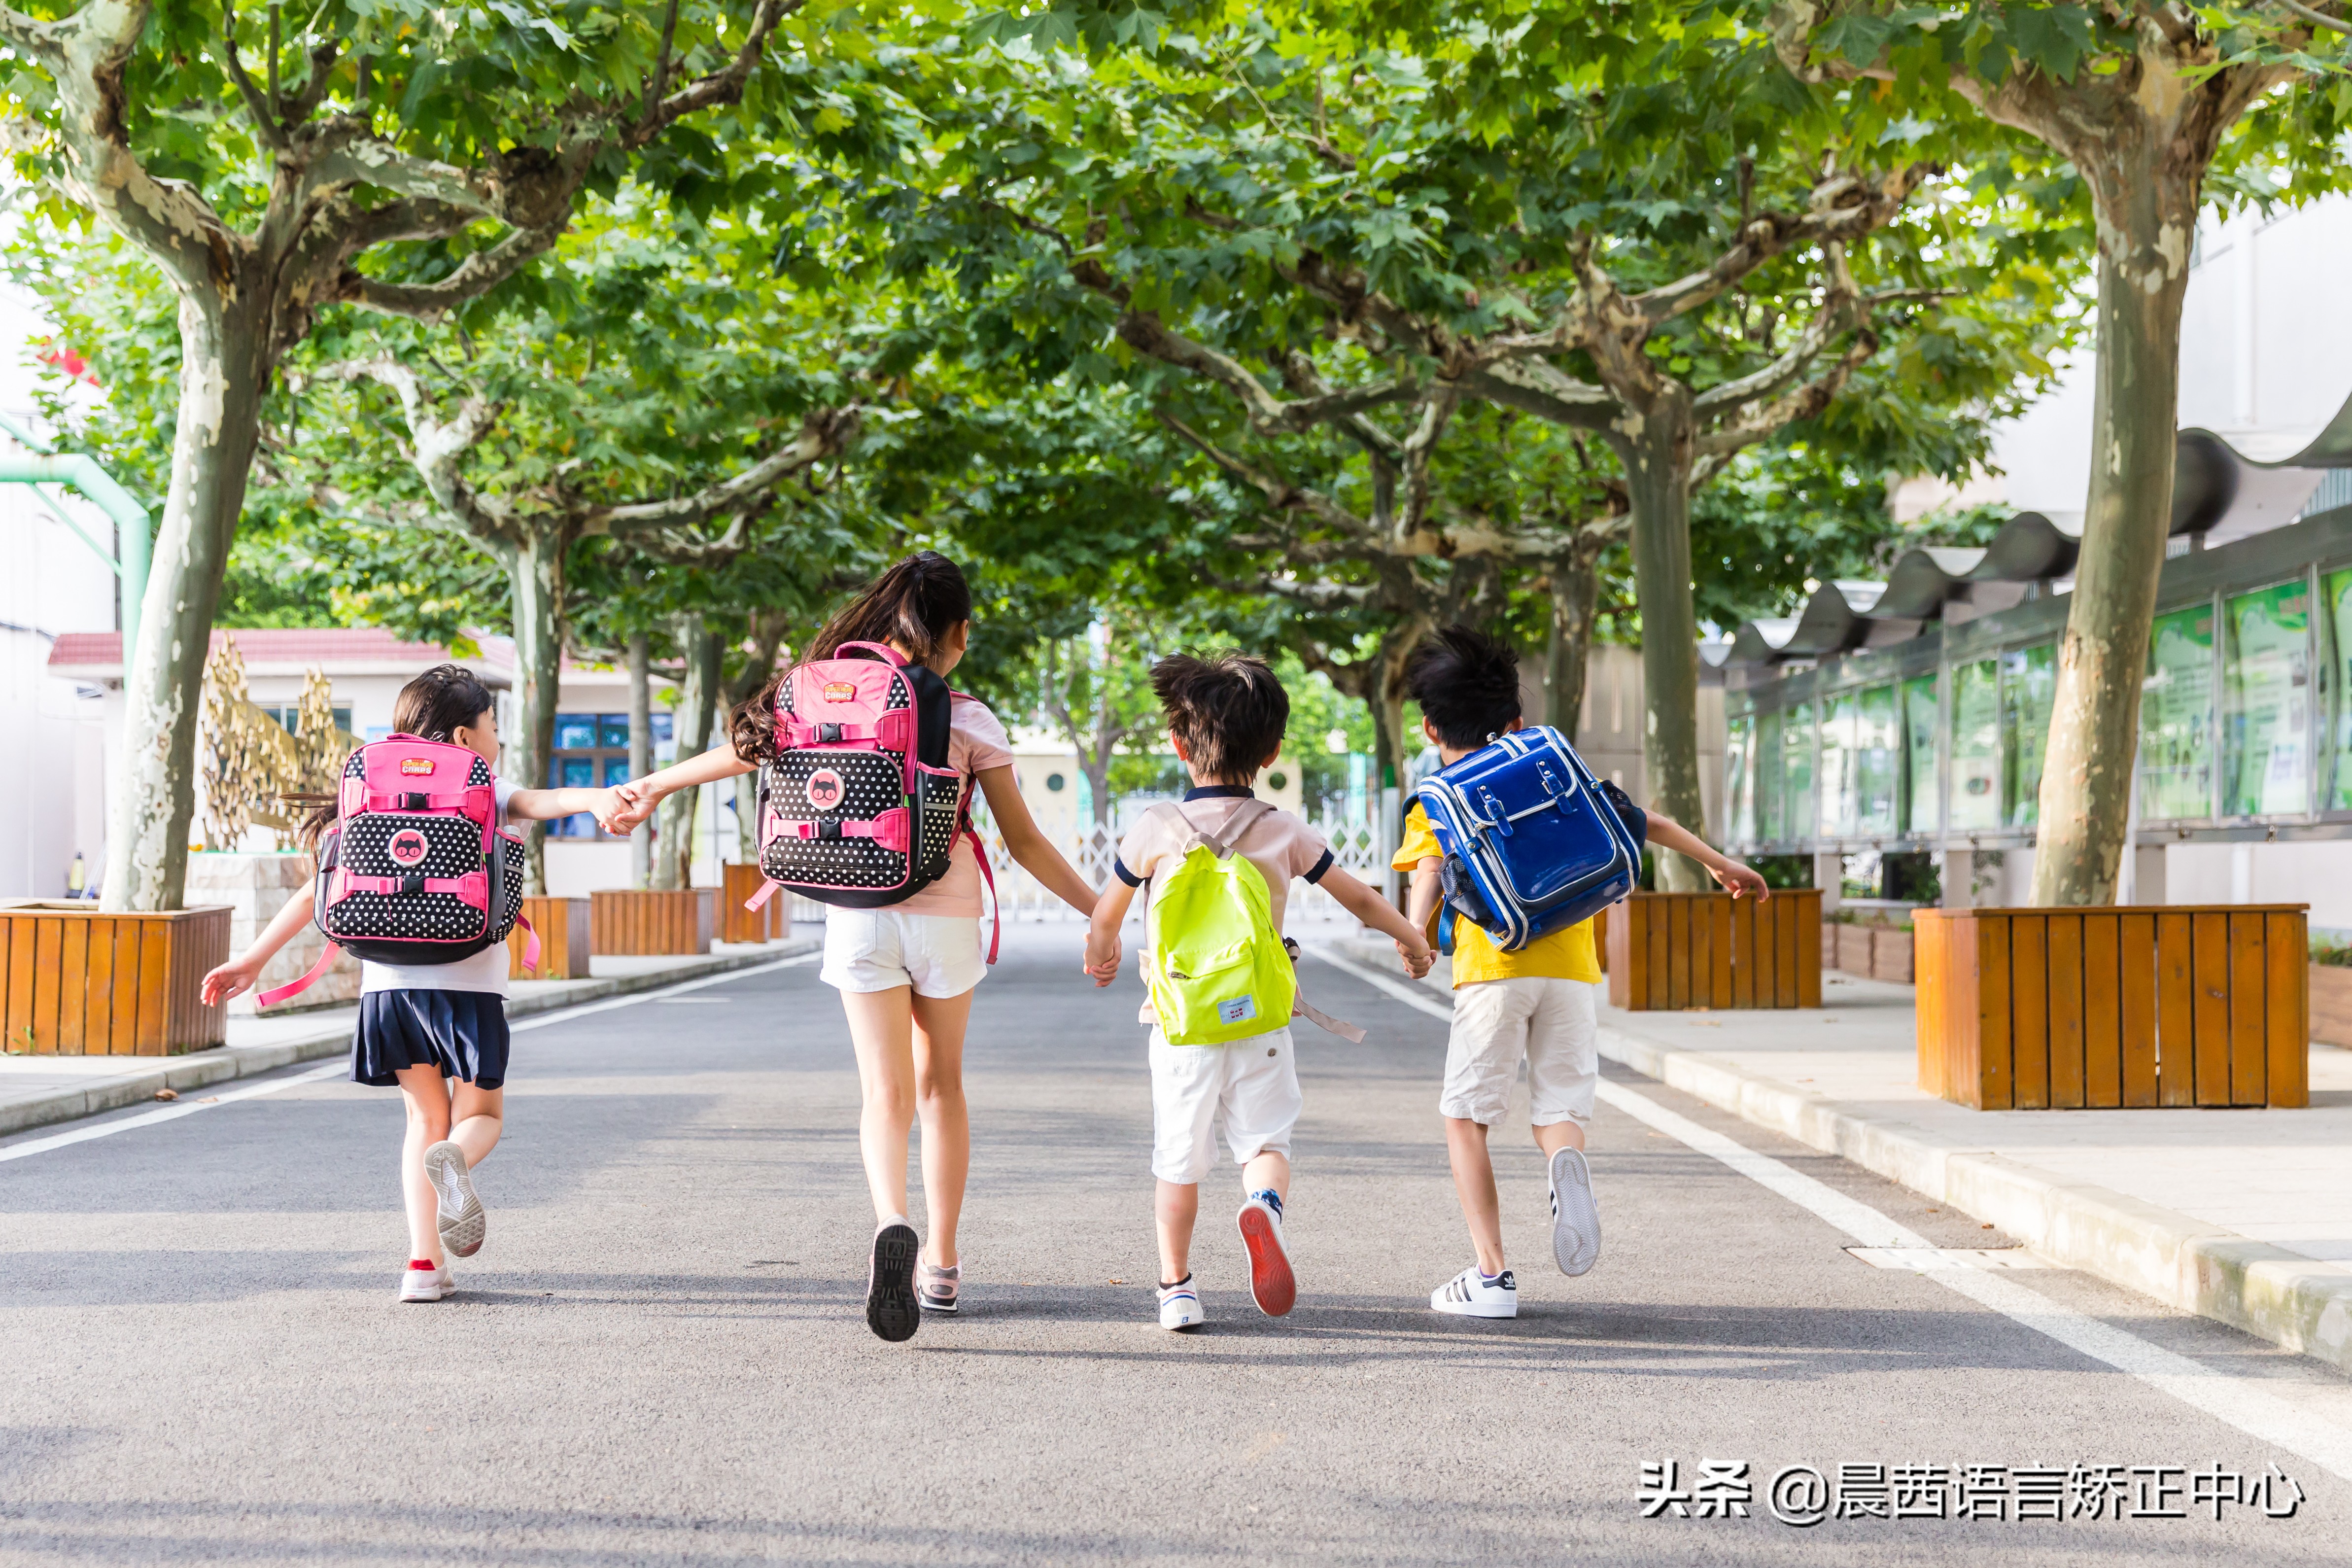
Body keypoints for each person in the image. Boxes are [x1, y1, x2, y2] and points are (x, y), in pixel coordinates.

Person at [605, 552, 1101, 1342]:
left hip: (857, 912)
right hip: (945, 916)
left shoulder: (818, 695)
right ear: (958, 632)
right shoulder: (967, 716)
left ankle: (890, 1218)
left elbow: (743, 751)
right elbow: (1026, 842)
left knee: (884, 1093)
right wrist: (1105, 912)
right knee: (941, 1086)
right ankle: (941, 1261)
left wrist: (656, 786)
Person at [200, 664, 625, 1303]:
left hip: (389, 988)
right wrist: (597, 799)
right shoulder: (483, 785)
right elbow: (549, 801)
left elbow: (320, 886)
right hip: (471, 983)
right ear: (464, 734)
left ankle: (423, 1266)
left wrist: (253, 960)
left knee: (423, 1118)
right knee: (479, 1115)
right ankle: (458, 1158)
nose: (497, 740)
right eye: (492, 726)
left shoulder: (372, 788)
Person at [1394, 627, 1769, 1319]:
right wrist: (1721, 864)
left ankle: (1492, 1276)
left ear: (1429, 727)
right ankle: (1563, 1161)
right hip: (1572, 966)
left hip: (1493, 966)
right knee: (1560, 1107)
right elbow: (1645, 820)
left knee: (1466, 1117)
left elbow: (1430, 871)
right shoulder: (1547, 766)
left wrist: (1416, 939)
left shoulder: (1439, 796)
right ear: (1516, 721)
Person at [1084, 652, 1434, 1332]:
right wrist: (1413, 939)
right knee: (1266, 1144)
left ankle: (1177, 1288)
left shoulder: (1155, 827)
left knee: (1178, 1163)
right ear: (1272, 751)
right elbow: (1361, 900)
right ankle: (1263, 1207)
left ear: (1179, 744)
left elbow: (1106, 916)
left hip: (1181, 1025)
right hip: (1261, 1020)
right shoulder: (1282, 829)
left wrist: (1102, 955)